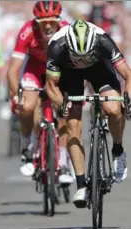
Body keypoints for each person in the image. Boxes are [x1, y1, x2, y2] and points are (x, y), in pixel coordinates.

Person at [45, 19, 131, 208]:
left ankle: (117, 150)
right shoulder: (57, 46)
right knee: (73, 124)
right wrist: (62, 104)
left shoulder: (103, 41)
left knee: (113, 109)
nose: (82, 61)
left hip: (99, 69)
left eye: (85, 56)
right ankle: (82, 185)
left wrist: (127, 97)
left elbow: (128, 74)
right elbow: (51, 86)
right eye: (78, 57)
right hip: (69, 74)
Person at [7, 0, 73, 184]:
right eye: (43, 22)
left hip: (60, 70)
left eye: (52, 21)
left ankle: (63, 162)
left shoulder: (68, 32)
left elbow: (77, 66)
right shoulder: (27, 31)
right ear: (36, 22)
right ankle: (27, 147)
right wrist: (14, 97)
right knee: (27, 107)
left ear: (59, 20)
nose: (48, 26)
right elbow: (13, 70)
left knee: (65, 112)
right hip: (34, 69)